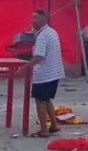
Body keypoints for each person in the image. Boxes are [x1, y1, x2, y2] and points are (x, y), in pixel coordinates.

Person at [17, 10, 63, 138]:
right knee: (46, 99)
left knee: (40, 100)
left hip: (45, 74)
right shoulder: (52, 32)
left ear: (44, 19)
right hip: (55, 72)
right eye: (32, 18)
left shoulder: (43, 35)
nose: (32, 21)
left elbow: (38, 57)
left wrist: (24, 68)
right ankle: (54, 125)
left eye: (35, 18)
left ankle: (44, 130)